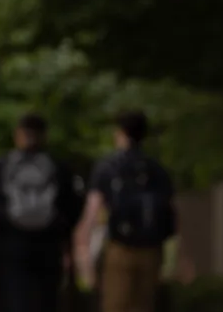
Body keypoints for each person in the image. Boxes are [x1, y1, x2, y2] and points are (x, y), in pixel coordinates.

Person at [74, 111, 176, 312]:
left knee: (116, 303)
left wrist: (83, 243)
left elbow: (93, 210)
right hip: (152, 249)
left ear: (120, 133)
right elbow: (173, 211)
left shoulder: (108, 167)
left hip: (120, 247)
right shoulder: (156, 169)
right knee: (144, 305)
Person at [0, 112, 84, 312]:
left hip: (11, 245)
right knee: (45, 299)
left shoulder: (3, 164)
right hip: (48, 246)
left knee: (14, 298)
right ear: (44, 135)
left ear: (18, 134)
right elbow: (73, 207)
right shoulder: (58, 166)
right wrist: (62, 235)